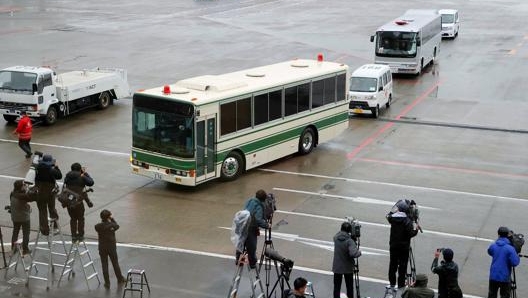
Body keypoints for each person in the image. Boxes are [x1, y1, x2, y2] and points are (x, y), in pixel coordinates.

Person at [386, 200, 420, 289]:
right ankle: (401, 283)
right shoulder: (407, 221)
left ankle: (392, 283)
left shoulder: (392, 218)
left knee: (392, 265)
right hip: (404, 247)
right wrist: (416, 229)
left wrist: (396, 205)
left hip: (393, 245)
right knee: (403, 265)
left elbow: (388, 215)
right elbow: (411, 234)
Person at [235, 189, 270, 269]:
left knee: (241, 243)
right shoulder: (259, 206)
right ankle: (252, 262)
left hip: (242, 224)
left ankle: (238, 260)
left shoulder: (250, 200)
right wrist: (267, 225)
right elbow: (258, 220)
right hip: (250, 227)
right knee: (251, 246)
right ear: (263, 199)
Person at [95, 209, 126, 289]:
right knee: (115, 263)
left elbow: (99, 227)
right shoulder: (112, 225)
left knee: (104, 264)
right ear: (108, 217)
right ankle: (120, 278)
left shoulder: (97, 226)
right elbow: (117, 226)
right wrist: (112, 218)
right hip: (111, 247)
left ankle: (107, 282)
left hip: (102, 247)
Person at [64, 162, 94, 242]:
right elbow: (91, 182)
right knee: (80, 219)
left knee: (73, 219)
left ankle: (73, 235)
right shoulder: (82, 177)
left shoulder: (67, 176)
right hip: (79, 202)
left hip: (69, 202)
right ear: (80, 169)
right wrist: (85, 173)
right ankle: (80, 235)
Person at [487, 226, 520, 298]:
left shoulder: (493, 245)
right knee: (505, 295)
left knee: (492, 295)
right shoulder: (510, 248)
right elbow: (515, 262)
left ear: (498, 235)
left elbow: (489, 251)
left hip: (493, 276)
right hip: (504, 278)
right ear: (507, 235)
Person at [34, 154, 62, 235]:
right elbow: (59, 176)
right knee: (52, 208)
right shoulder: (51, 170)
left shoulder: (37, 168)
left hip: (40, 192)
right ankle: (55, 226)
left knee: (42, 210)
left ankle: (44, 230)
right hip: (50, 192)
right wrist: (56, 167)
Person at [332, 221, 361, 298]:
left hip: (337, 267)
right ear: (349, 231)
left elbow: (338, 234)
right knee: (349, 287)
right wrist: (359, 252)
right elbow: (354, 254)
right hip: (347, 268)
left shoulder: (336, 238)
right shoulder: (349, 241)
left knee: (337, 287)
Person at [9, 180, 37, 255]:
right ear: (20, 187)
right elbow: (33, 198)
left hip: (15, 217)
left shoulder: (12, 193)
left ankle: (13, 248)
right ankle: (25, 249)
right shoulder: (23, 196)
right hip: (24, 217)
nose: (25, 186)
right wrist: (30, 191)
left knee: (15, 232)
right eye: (23, 185)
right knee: (26, 233)